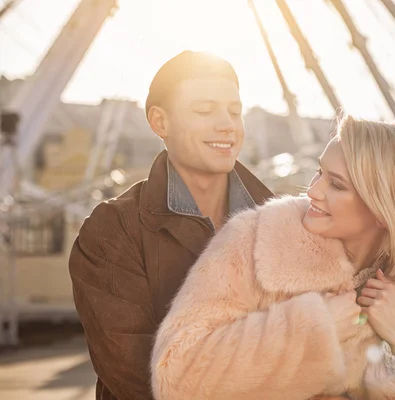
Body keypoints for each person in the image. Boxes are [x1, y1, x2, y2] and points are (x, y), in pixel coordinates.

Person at [151, 115, 395, 399]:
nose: (313, 191)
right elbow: (177, 376)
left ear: (384, 210)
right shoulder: (255, 243)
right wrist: (319, 327)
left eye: (337, 185)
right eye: (320, 172)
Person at [69, 51, 273, 400]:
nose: (227, 124)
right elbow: (140, 377)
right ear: (159, 122)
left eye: (235, 111)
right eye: (204, 111)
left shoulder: (284, 223)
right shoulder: (112, 231)